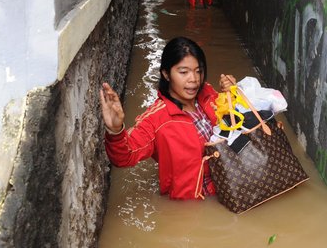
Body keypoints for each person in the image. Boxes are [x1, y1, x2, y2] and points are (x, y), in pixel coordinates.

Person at [100, 36, 235, 200]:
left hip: (232, 186)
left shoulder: (207, 94)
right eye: (183, 72)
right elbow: (124, 157)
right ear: (166, 74)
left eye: (198, 70)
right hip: (193, 205)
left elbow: (234, 126)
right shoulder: (156, 119)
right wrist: (115, 130)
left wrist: (231, 95)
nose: (194, 79)